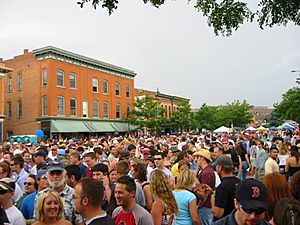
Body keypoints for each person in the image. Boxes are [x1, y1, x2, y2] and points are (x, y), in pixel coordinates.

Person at [34, 160, 84, 225]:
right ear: (47, 176)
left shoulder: (74, 194)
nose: (55, 176)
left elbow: (80, 222)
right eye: (52, 173)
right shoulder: (40, 195)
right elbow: (37, 219)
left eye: (58, 173)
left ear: (64, 175)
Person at [211, 155, 240, 220]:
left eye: (216, 166)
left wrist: (212, 199)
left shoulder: (222, 188)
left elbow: (218, 214)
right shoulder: (239, 182)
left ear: (220, 167)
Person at [194, 148, 215, 225]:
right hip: (205, 206)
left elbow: (205, 192)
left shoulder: (206, 172)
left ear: (202, 158)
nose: (196, 160)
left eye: (198, 157)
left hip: (205, 206)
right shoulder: (206, 171)